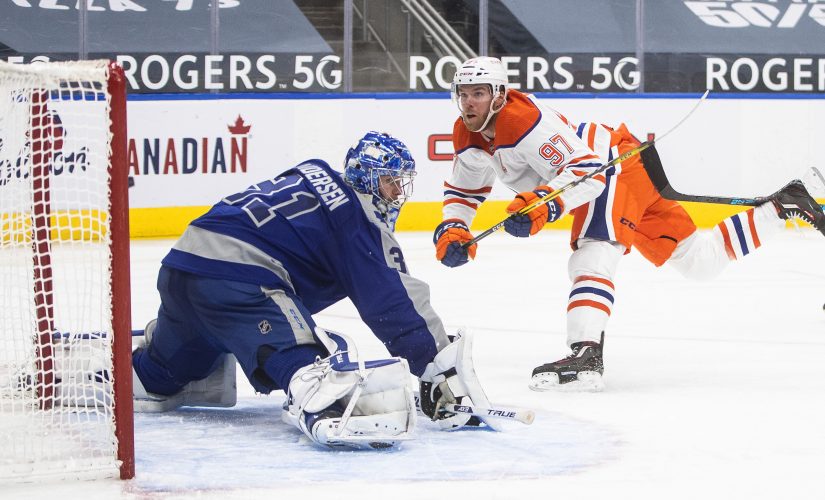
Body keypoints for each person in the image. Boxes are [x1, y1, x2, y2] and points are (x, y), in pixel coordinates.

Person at [434, 57, 825, 391]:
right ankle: (782, 206)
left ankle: (585, 354)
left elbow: (587, 170)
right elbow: (465, 192)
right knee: (700, 262)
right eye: (464, 93)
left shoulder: (523, 120)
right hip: (625, 166)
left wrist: (542, 208)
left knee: (593, 252)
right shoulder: (466, 133)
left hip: (611, 165)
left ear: (499, 94)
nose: (469, 102)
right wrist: (454, 227)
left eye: (479, 93)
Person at [131, 131, 498, 450]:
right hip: (237, 280)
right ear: (367, 179)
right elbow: (392, 300)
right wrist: (436, 368)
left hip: (181, 269)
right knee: (304, 364)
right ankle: (322, 404)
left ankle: (105, 369)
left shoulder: (312, 176)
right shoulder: (356, 218)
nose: (397, 191)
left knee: (162, 377)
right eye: (390, 181)